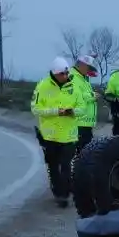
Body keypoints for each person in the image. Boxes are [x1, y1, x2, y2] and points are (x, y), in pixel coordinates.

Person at [32, 56, 79, 206]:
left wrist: (74, 111)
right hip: (50, 136)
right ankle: (58, 190)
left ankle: (64, 194)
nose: (65, 77)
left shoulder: (73, 86)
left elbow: (83, 108)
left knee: (66, 165)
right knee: (53, 166)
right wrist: (55, 111)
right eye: (61, 74)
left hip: (68, 135)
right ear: (54, 73)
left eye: (66, 74)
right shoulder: (42, 86)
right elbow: (35, 109)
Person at [70, 53, 100, 148]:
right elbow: (76, 95)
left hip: (85, 123)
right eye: (88, 68)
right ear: (82, 66)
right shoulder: (73, 77)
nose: (89, 71)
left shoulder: (82, 78)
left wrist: (90, 57)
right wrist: (92, 95)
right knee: (79, 153)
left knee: (85, 153)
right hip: (78, 123)